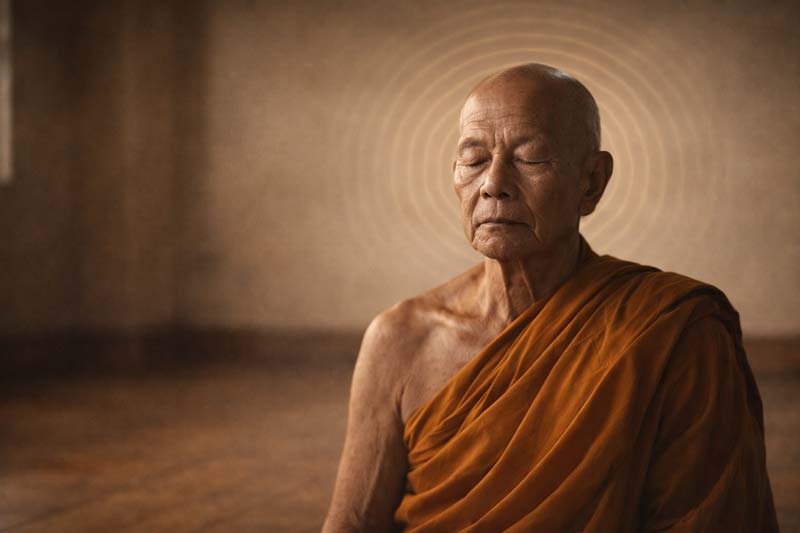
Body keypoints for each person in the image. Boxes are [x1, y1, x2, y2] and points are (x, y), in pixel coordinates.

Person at [322, 63, 778, 532]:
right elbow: (353, 524)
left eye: (531, 158)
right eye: (474, 160)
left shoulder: (672, 333)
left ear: (592, 182)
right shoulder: (400, 339)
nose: (493, 183)